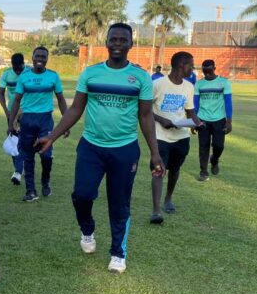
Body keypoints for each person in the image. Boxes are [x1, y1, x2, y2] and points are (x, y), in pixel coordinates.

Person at [36, 23, 165, 274]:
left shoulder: (140, 77)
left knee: (119, 203)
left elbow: (146, 115)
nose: (117, 44)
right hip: (91, 147)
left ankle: (118, 253)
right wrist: (52, 136)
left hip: (124, 149)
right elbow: (76, 109)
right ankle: (87, 230)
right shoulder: (91, 74)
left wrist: (155, 152)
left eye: (123, 40)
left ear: (131, 44)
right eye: (113, 39)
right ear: (106, 42)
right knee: (81, 195)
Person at [8, 46, 68, 202]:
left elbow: (61, 99)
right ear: (33, 58)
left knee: (46, 156)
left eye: (43, 56)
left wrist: (66, 123)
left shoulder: (53, 76)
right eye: (37, 56)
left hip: (45, 120)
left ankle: (45, 182)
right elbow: (17, 100)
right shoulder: (24, 77)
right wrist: (11, 123)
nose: (40, 59)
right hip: (27, 120)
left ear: (47, 59)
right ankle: (31, 191)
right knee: (28, 156)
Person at [149, 52, 204, 224]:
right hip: (160, 136)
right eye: (191, 65)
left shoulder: (189, 86)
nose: (192, 69)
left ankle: (168, 199)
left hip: (181, 136)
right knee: (158, 170)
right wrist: (161, 120)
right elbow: (144, 110)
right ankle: (156, 210)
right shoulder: (157, 84)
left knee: (175, 169)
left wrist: (198, 123)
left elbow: (190, 112)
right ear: (181, 65)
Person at [194, 59, 233, 181]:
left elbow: (228, 102)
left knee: (219, 145)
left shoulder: (224, 82)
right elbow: (195, 103)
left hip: (219, 119)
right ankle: (203, 172)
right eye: (205, 72)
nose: (207, 74)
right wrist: (194, 121)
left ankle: (214, 159)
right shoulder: (199, 84)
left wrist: (229, 121)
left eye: (209, 71)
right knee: (203, 147)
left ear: (214, 69)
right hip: (202, 119)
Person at [0, 53, 30, 185]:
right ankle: (17, 170)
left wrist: (19, 114)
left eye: (19, 68)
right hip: (12, 113)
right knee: (13, 142)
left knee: (25, 142)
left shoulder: (30, 73)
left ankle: (21, 170)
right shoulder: (6, 74)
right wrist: (7, 112)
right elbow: (1, 94)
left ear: (24, 64)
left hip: (27, 113)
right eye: (15, 69)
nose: (17, 71)